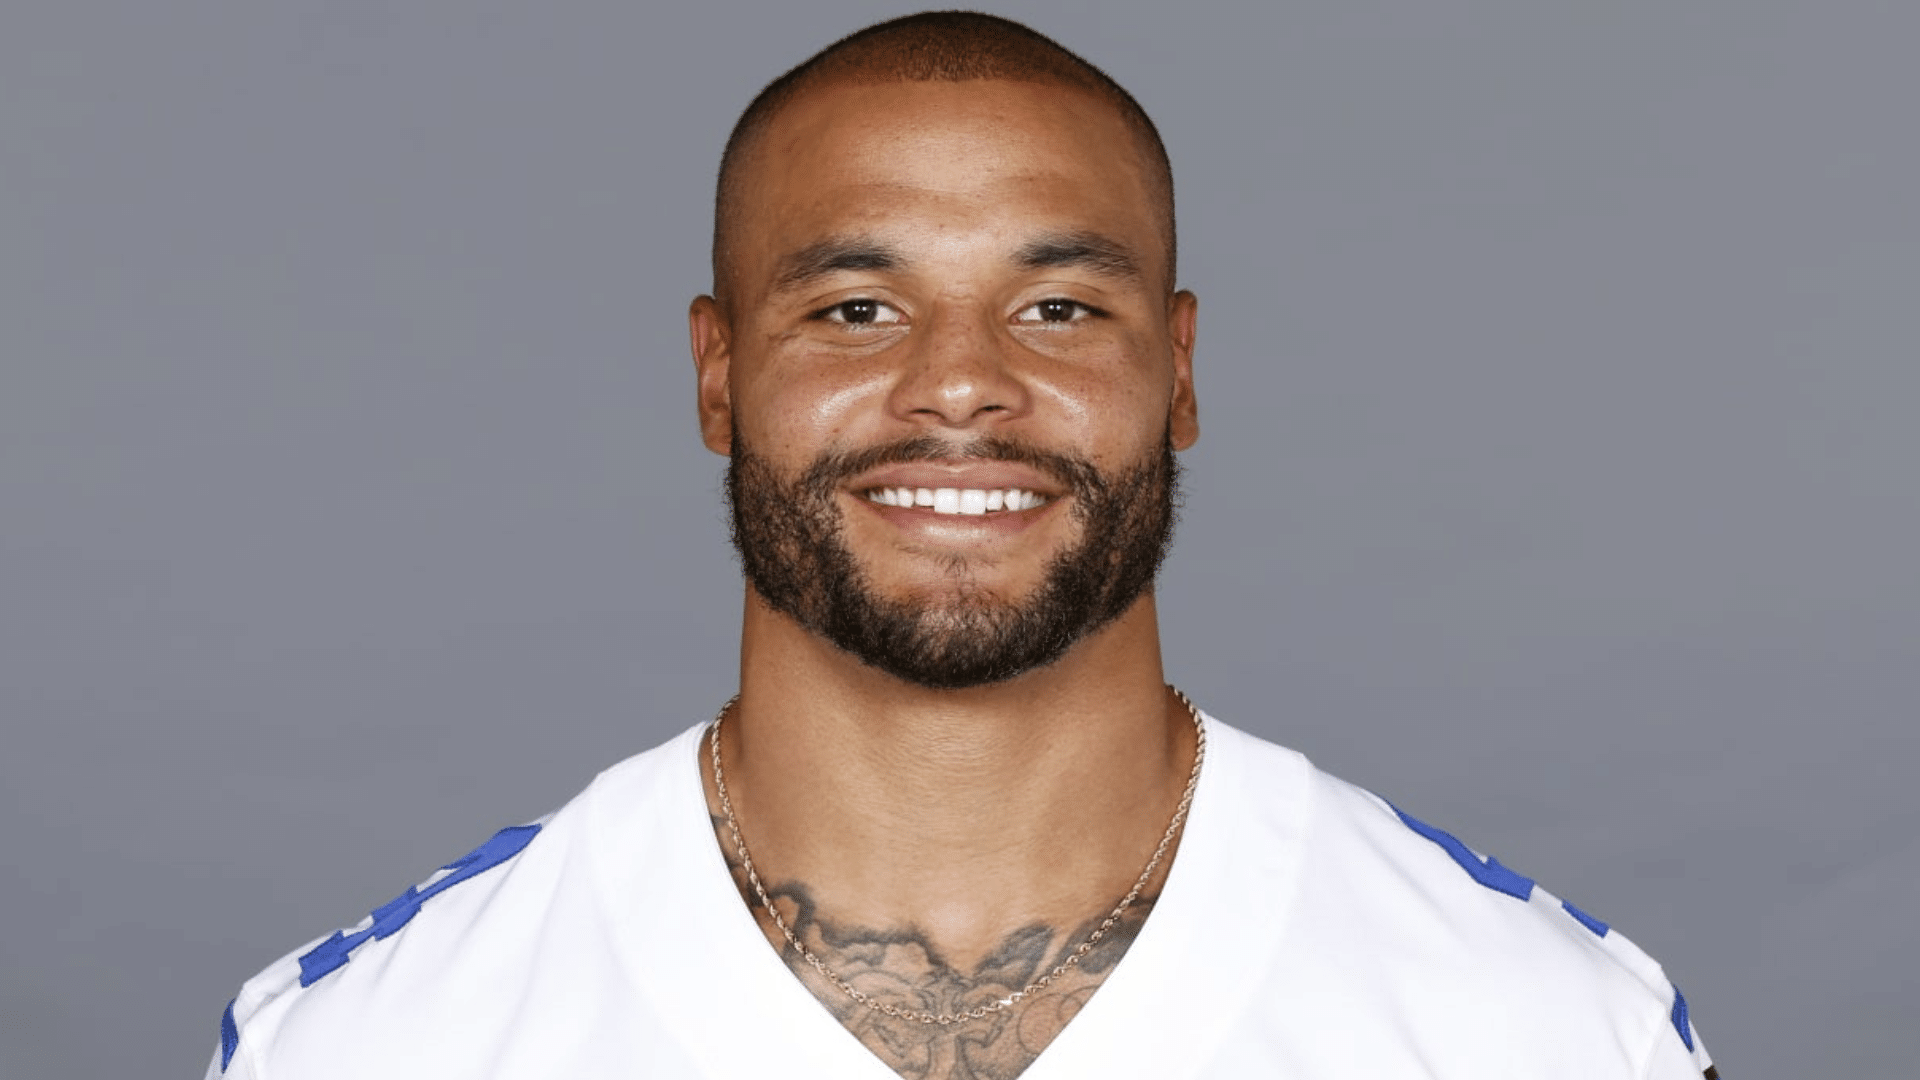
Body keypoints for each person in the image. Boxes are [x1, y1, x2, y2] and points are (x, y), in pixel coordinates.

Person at [205, 12, 1718, 1079]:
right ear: (716, 374)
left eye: (1059, 308)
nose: (958, 382)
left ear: (1179, 371)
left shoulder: (1542, 1036)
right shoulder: (374, 1048)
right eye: (854, 309)